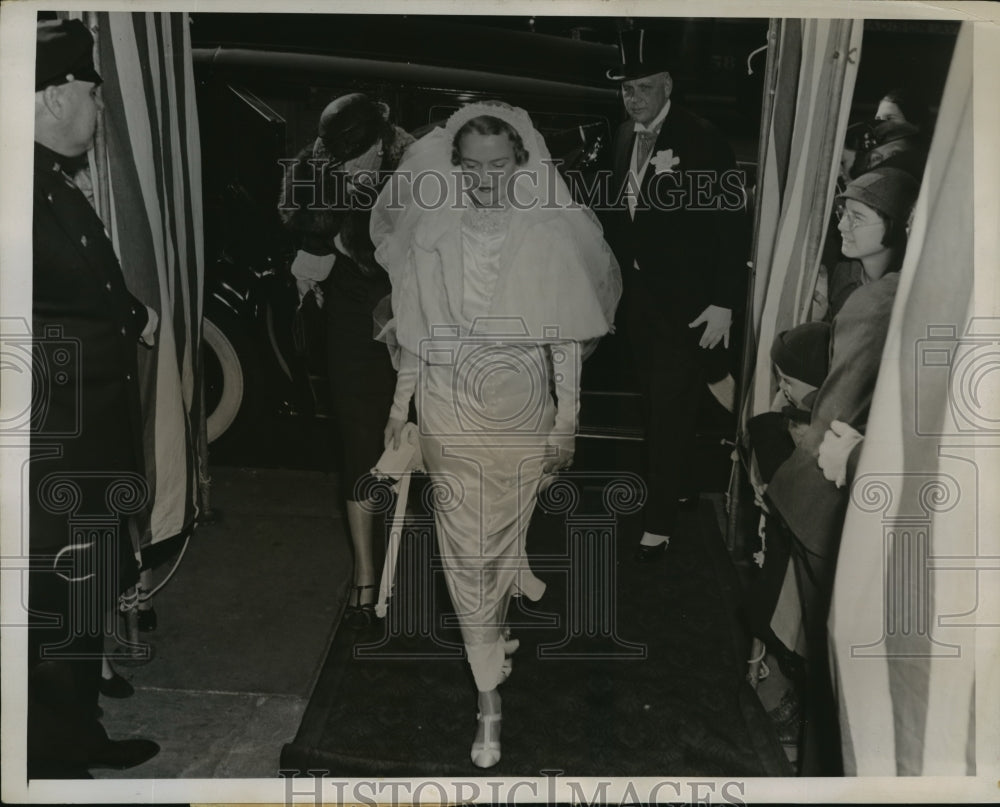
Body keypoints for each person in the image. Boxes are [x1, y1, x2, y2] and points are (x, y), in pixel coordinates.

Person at [370, 101, 621, 767]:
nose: (486, 179)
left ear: (522, 163)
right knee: (467, 553)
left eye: (499, 166)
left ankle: (497, 618)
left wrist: (567, 424)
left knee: (500, 536)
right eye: (473, 167)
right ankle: (489, 700)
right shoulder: (431, 233)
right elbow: (417, 337)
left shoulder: (545, 235)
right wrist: (402, 411)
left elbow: (564, 339)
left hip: (520, 410)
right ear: (454, 167)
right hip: (448, 404)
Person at [29, 18, 160, 777]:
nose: (97, 110)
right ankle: (51, 767)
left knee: (81, 604)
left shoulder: (44, 178)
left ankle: (79, 737)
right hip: (56, 444)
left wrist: (129, 316)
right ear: (51, 96)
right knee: (53, 613)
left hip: (89, 440)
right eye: (89, 93)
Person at [763, 165, 919, 774]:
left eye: (860, 215)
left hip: (830, 499)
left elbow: (839, 401)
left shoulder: (879, 298)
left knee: (831, 664)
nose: (842, 224)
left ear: (900, 227)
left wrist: (808, 425)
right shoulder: (874, 284)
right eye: (842, 211)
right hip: (846, 489)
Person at [604, 29, 746, 562]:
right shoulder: (623, 136)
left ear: (666, 85)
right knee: (657, 401)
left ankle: (659, 520)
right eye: (625, 89)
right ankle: (681, 481)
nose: (631, 98)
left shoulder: (702, 139)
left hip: (689, 303)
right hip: (640, 299)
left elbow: (733, 226)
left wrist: (725, 302)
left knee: (667, 406)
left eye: (640, 87)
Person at [279, 94, 414, 628]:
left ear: (384, 141)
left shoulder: (419, 167)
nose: (353, 167)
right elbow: (308, 235)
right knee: (359, 441)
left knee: (420, 442)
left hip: (417, 313)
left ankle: (423, 568)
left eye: (362, 156)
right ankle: (364, 574)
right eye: (342, 158)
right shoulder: (320, 169)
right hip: (353, 315)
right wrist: (316, 250)